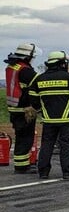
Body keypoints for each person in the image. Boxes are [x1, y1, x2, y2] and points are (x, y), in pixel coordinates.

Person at [29, 50, 69, 179]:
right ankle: (68, 172)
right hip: (67, 120)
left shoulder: (39, 79)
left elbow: (33, 101)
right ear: (61, 63)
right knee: (66, 145)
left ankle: (43, 172)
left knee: (47, 145)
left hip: (48, 120)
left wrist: (42, 110)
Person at [4, 42, 39, 173]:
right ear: (28, 56)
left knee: (21, 136)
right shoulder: (25, 70)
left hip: (14, 108)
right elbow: (38, 85)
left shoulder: (12, 66)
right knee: (25, 138)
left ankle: (21, 164)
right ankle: (22, 166)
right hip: (25, 109)